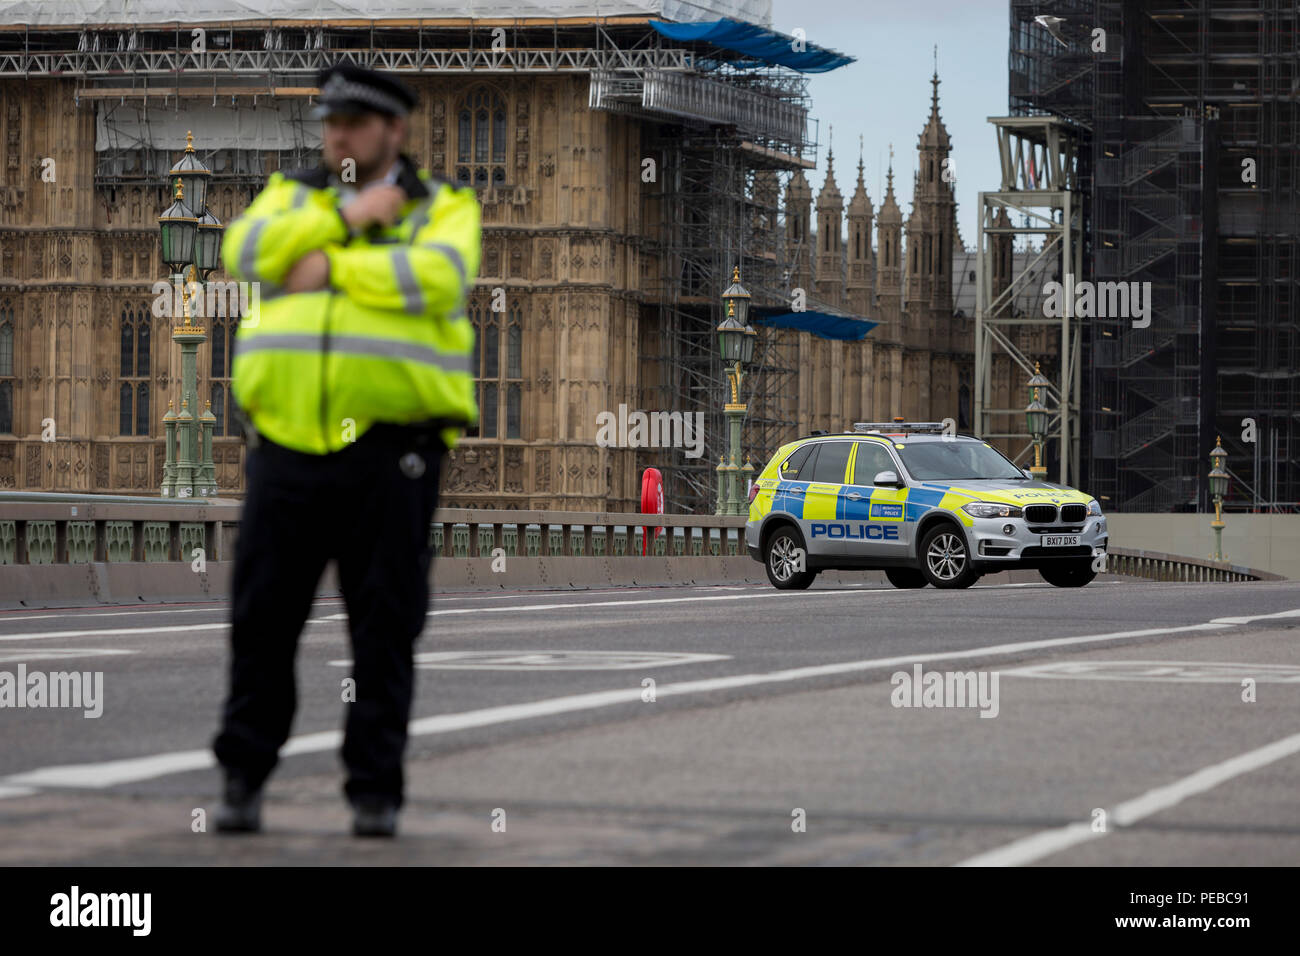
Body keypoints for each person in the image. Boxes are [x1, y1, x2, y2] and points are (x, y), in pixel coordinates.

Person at [211, 62, 481, 837]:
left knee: (384, 627)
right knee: (261, 620)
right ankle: (242, 776)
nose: (337, 135)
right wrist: (350, 216)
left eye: (355, 123)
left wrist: (327, 262)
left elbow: (436, 277)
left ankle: (374, 790)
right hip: (287, 444)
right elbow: (247, 251)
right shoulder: (289, 194)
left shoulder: (446, 206)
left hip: (393, 451)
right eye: (329, 122)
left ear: (394, 130)